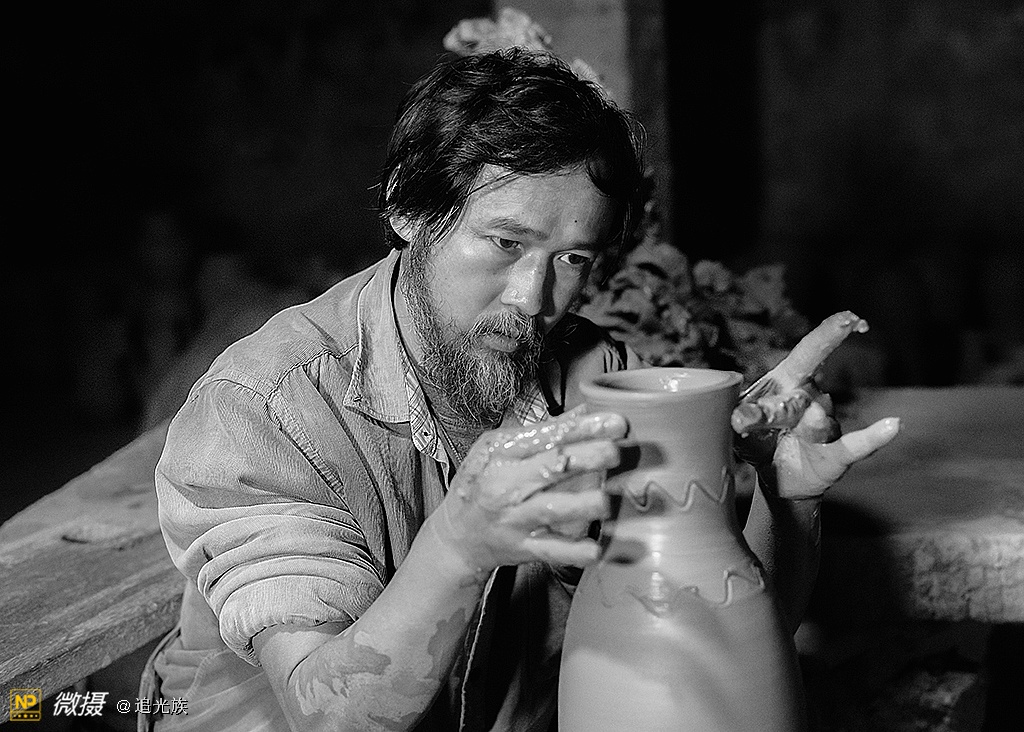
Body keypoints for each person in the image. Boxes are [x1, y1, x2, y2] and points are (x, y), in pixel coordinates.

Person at [141, 47, 898, 732]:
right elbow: (329, 718)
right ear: (407, 208)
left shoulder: (600, 380)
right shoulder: (265, 409)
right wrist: (459, 544)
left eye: (573, 259)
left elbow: (716, 646)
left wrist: (786, 498)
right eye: (507, 243)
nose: (534, 298)